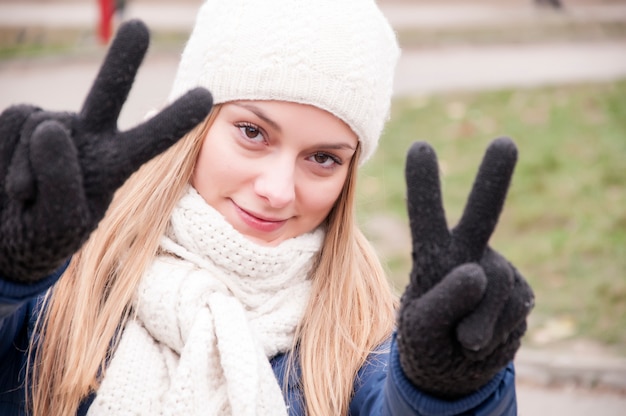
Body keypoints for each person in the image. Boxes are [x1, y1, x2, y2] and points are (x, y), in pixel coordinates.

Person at [0, 0, 534, 415]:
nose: (279, 190)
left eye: (323, 158)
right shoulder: (62, 282)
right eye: (253, 132)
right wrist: (8, 272)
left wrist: (448, 395)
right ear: (191, 127)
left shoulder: (360, 340)